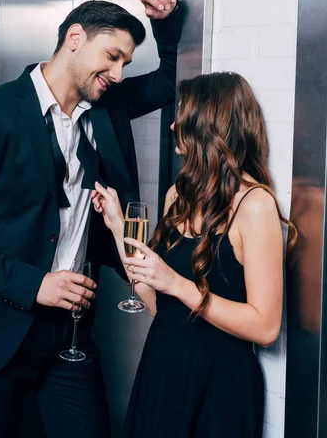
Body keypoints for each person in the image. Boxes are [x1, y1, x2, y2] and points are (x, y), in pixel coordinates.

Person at [0, 0, 182, 438]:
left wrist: (164, 21)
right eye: (113, 57)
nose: (120, 74)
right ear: (75, 39)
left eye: (125, 62)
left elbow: (168, 84)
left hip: (74, 336)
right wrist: (35, 284)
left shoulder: (109, 107)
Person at [93, 71, 297, 438]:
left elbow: (266, 327)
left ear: (209, 122)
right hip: (162, 366)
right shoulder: (178, 195)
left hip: (219, 384)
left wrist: (177, 283)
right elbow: (156, 302)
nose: (173, 123)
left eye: (182, 112)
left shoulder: (255, 205)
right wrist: (118, 229)